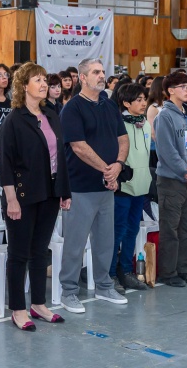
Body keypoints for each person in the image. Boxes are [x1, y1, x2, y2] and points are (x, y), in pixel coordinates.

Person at [0, 62, 71, 331]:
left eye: (44, 80)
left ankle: (38, 304)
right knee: (18, 254)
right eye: (37, 80)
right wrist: (12, 199)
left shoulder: (51, 115)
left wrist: (64, 191)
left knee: (40, 251)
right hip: (22, 195)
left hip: (49, 193)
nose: (43, 84)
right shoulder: (14, 119)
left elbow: (59, 157)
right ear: (23, 86)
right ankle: (17, 309)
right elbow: (5, 163)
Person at [59, 58, 128, 313]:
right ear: (82, 78)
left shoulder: (109, 105)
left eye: (102, 72)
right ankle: (68, 291)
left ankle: (103, 285)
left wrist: (118, 165)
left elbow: (123, 138)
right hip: (80, 187)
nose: (101, 76)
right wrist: (107, 169)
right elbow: (78, 146)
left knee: (105, 242)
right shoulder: (73, 108)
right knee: (75, 244)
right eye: (96, 72)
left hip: (106, 186)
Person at [154, 72, 187, 286]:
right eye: (182, 86)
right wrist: (185, 170)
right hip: (172, 180)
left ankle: (184, 268)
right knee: (170, 229)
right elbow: (166, 150)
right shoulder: (164, 116)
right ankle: (168, 272)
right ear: (170, 91)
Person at [109, 83, 151, 293]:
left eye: (145, 99)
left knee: (133, 230)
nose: (143, 103)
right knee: (117, 231)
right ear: (126, 103)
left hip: (142, 185)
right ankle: (110, 274)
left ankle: (126, 271)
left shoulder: (145, 123)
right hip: (124, 185)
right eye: (138, 100)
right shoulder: (119, 124)